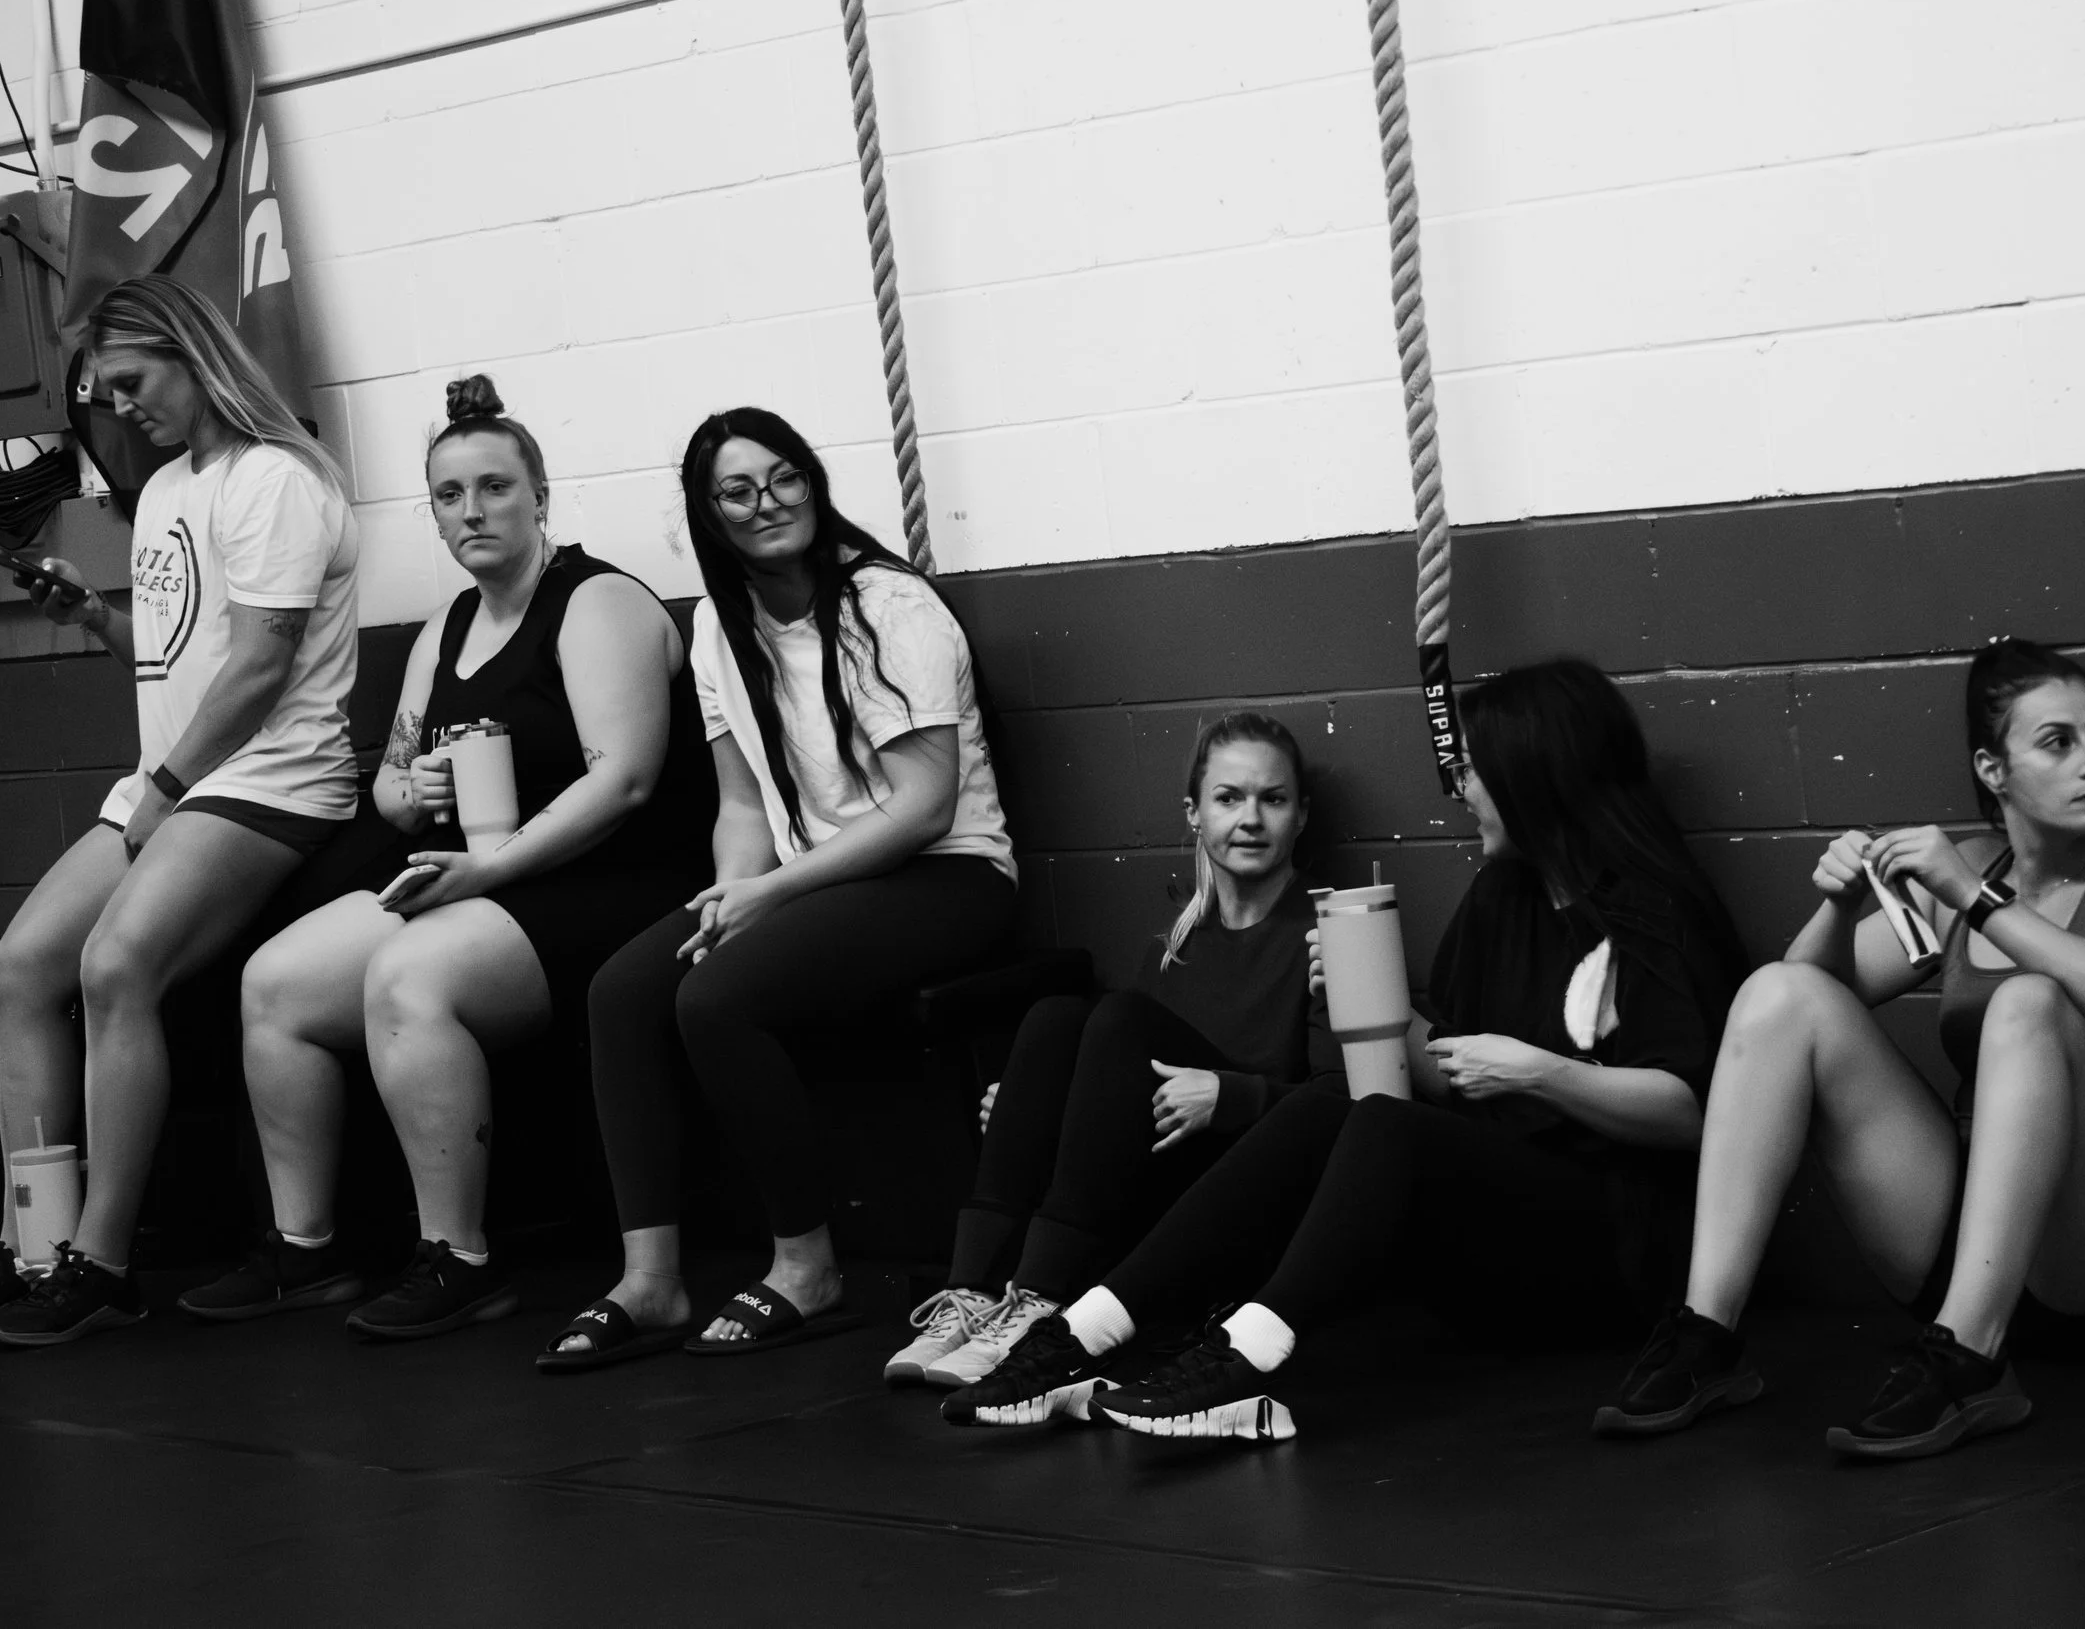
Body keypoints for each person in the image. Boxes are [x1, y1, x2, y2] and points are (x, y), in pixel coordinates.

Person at [943, 658, 1749, 1440]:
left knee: (1383, 1123)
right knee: (1348, 1104)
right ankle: (1082, 1331)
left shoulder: (1650, 911)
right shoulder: (1502, 896)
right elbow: (1455, 1072)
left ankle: (1242, 1358)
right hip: (1493, 1226)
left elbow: (1691, 1115)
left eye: (1475, 771)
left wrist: (1539, 1069)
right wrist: (1382, 1015)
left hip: (1613, 1253)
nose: (1461, 788)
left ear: (1536, 775)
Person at [1595, 637, 2085, 1460]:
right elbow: (1788, 1015)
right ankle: (1706, 1335)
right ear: (1993, 770)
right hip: (1981, 1258)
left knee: (2027, 1006)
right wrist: (1839, 902)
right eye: (2059, 741)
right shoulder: (1973, 867)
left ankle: (1972, 1362)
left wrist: (1974, 896)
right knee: (1775, 989)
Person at [176, 376, 716, 1339]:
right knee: (275, 982)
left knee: (409, 974)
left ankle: (458, 1255)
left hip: (614, 884)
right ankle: (307, 1248)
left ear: (541, 497)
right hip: (478, 874)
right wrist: (416, 789)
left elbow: (622, 782)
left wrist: (489, 869)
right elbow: (388, 778)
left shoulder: (598, 603)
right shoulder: (447, 628)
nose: (473, 511)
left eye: (496, 487)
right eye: (449, 495)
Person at [542, 407, 1014, 1371]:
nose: (768, 503)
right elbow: (743, 808)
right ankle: (652, 1279)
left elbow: (925, 807)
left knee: (719, 998)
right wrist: (730, 901)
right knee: (626, 990)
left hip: (949, 875)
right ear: (707, 515)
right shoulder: (717, 625)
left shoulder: (891, 606)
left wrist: (768, 902)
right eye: (738, 489)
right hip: (811, 880)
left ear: (813, 480)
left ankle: (807, 1265)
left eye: (785, 476)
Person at [0, 276, 361, 1348]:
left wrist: (163, 791)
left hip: (272, 777)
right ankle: (36, 1243)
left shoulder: (274, 479)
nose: (120, 406)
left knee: (114, 967)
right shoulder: (163, 492)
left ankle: (102, 1259)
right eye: (108, 390)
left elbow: (258, 669)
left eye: (134, 381)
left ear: (193, 357)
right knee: (14, 972)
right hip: (184, 778)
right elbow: (176, 657)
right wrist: (95, 611)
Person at [887, 712, 1338, 1388]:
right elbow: (1120, 1092)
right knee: (1055, 1019)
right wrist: (1031, 1113)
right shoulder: (1177, 947)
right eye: (1228, 797)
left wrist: (1232, 1096)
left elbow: (1346, 1111)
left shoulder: (1322, 937)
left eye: (1273, 799)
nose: (1251, 818)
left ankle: (1040, 1301)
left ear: (1300, 815)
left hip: (1246, 1205)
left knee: (1118, 1017)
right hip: (1153, 1197)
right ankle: (975, 1293)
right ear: (1193, 812)